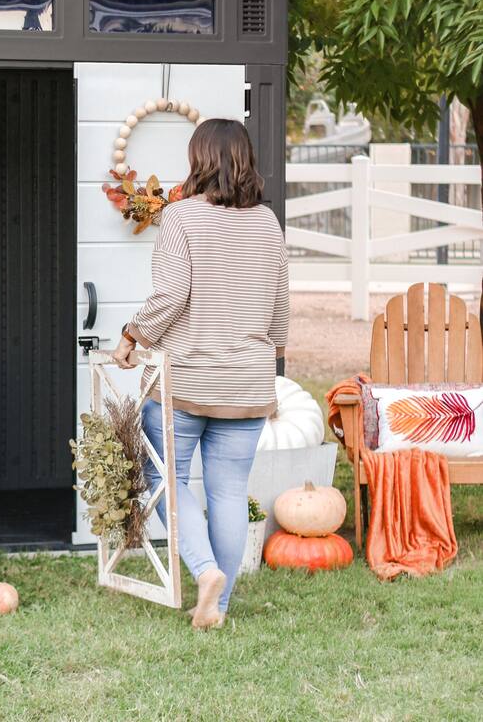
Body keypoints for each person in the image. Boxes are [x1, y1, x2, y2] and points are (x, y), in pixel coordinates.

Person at [113, 118, 288, 630]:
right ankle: (220, 604)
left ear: (199, 160)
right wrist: (264, 367)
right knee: (229, 491)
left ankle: (205, 571)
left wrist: (131, 336)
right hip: (248, 380)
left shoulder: (182, 218)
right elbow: (278, 310)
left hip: (188, 378)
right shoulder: (268, 223)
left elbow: (171, 296)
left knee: (160, 477)